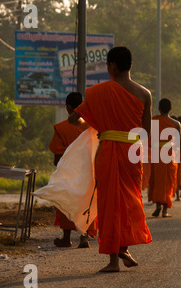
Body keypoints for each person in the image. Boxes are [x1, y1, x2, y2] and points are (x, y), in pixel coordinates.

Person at [68, 46, 152, 272]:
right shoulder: (144, 94)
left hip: (107, 151)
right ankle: (124, 246)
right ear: (130, 65)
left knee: (109, 203)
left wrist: (96, 124)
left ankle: (114, 260)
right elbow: (146, 131)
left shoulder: (98, 92)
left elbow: (73, 119)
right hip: (133, 152)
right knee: (130, 200)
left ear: (111, 65)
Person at [49, 92, 97, 248]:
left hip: (69, 173)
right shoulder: (92, 127)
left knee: (66, 203)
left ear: (68, 108)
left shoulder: (61, 127)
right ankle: (84, 237)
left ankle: (66, 238)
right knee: (86, 203)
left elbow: (57, 156)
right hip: (88, 171)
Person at [148, 98, 181, 217]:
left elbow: (147, 138)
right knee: (168, 181)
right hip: (169, 154)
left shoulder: (153, 121)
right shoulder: (176, 124)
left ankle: (157, 205)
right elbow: (178, 143)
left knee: (157, 180)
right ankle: (165, 210)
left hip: (156, 153)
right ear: (171, 108)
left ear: (159, 109)